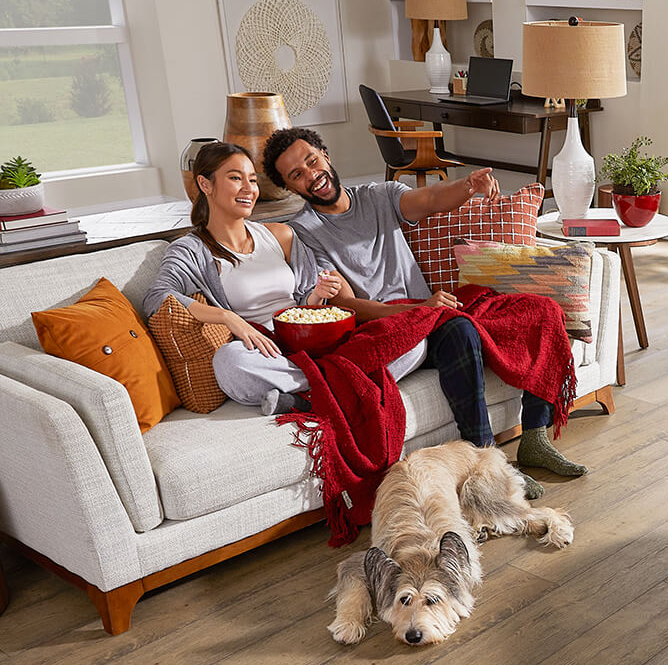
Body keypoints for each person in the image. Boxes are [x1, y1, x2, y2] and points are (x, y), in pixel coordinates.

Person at [261, 126, 588, 498]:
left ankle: (534, 435)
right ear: (291, 188)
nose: (311, 175)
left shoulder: (378, 196)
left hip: (430, 314)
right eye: (296, 175)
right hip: (387, 326)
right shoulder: (303, 231)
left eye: (311, 161)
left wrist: (468, 186)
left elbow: (432, 197)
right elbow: (346, 305)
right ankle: (487, 464)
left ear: (325, 155)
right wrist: (420, 308)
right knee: (461, 330)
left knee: (539, 308)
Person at [143, 141, 427, 415]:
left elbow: (307, 301)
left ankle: (308, 399)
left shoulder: (280, 234)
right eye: (235, 178)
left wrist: (318, 294)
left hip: (313, 343)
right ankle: (339, 388)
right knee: (229, 361)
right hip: (267, 352)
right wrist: (229, 319)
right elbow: (157, 298)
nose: (248, 189)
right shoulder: (192, 250)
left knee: (413, 342)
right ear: (206, 185)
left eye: (252, 180)